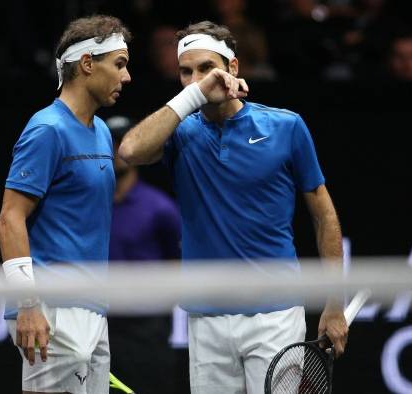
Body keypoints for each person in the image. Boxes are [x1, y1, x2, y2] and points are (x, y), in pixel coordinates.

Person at [118, 21, 347, 394]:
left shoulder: (286, 126)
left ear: (234, 68)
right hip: (206, 319)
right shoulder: (179, 132)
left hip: (275, 315)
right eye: (186, 72)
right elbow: (129, 151)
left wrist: (335, 305)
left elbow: (324, 216)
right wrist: (193, 97)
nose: (196, 79)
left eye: (207, 68)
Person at [0, 15, 131, 394]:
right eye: (119, 64)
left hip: (92, 306)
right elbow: (9, 220)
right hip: (49, 307)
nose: (127, 77)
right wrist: (28, 305)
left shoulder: (102, 132)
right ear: (88, 64)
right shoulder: (46, 129)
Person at [105, 115, 182, 394]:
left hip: (146, 332)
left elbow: (177, 266)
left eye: (121, 142)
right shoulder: (90, 204)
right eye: (110, 143)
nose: (115, 150)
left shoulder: (160, 208)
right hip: (99, 327)